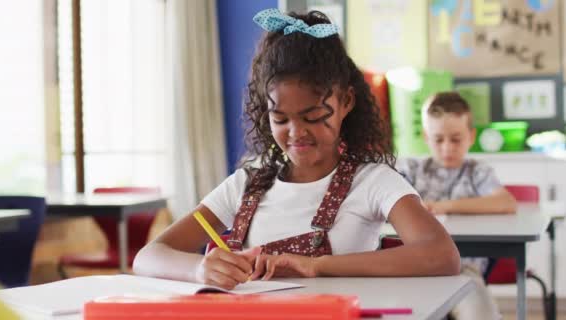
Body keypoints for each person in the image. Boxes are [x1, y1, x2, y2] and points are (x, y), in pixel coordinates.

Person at [134, 8, 460, 290]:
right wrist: (198, 269)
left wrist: (317, 266)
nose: (296, 132)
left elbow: (441, 254)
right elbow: (148, 257)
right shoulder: (249, 183)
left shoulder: (372, 181)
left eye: (313, 116)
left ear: (345, 102)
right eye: (280, 118)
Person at [397, 92, 518, 320]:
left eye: (456, 139)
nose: (447, 148)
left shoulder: (477, 171)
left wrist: (444, 206)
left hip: (464, 270)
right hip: (415, 271)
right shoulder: (412, 170)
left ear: (471, 136)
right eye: (438, 139)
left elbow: (506, 203)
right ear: (426, 136)